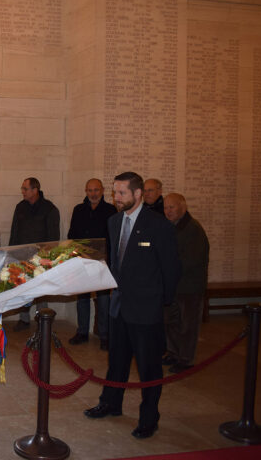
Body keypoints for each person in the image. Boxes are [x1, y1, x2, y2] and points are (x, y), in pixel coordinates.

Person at [84, 172, 180, 439]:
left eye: (122, 193)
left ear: (138, 195)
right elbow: (116, 263)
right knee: (117, 360)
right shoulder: (114, 222)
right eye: (115, 193)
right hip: (119, 307)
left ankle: (150, 417)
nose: (116, 198)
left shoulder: (158, 225)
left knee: (149, 367)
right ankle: (111, 402)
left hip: (146, 309)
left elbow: (171, 268)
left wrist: (162, 301)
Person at [67, 178, 117, 350]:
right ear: (85, 191)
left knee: (103, 300)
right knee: (82, 299)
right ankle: (82, 332)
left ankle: (105, 335)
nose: (93, 194)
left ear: (102, 191)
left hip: (102, 262)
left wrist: (106, 257)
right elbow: (72, 235)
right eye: (90, 190)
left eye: (96, 190)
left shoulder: (111, 210)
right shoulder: (78, 209)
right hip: (82, 261)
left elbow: (113, 238)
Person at [162, 193, 209, 374]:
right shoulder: (171, 227)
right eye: (166, 207)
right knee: (171, 322)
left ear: (183, 207)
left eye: (172, 207)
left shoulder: (192, 229)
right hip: (173, 286)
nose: (168, 211)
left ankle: (186, 359)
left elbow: (191, 260)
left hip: (189, 287)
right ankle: (173, 352)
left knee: (188, 325)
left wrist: (167, 267)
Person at [9, 177, 60, 329]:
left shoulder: (49, 208)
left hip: (41, 258)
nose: (22, 192)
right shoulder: (20, 207)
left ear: (35, 190)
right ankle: (24, 318)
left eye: (25, 189)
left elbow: (53, 237)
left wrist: (47, 257)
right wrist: (12, 253)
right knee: (23, 287)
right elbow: (14, 232)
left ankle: (42, 319)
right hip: (22, 256)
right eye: (23, 189)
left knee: (40, 290)